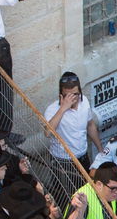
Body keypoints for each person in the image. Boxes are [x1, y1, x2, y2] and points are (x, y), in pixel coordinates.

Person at [43, 71, 103, 205]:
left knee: (87, 193)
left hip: (82, 157)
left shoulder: (84, 102)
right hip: (63, 162)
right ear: (60, 95)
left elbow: (90, 125)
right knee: (68, 199)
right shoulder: (52, 110)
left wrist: (100, 148)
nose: (72, 98)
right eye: (67, 95)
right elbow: (47, 132)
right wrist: (63, 108)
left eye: (75, 94)